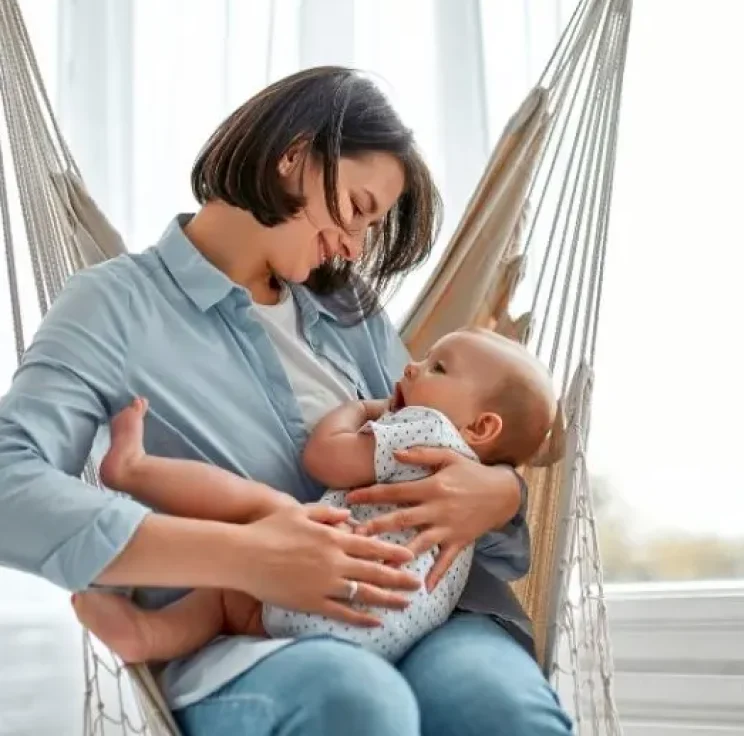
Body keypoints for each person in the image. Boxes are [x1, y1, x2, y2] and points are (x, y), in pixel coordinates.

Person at [0, 66, 572, 735]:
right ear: (295, 155)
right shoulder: (115, 305)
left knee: (500, 710)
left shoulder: (345, 309)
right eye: (357, 209)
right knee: (356, 702)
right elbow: (11, 487)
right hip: (248, 635)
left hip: (429, 611)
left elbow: (445, 436)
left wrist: (500, 492)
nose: (357, 248)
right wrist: (246, 558)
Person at [72, 328, 557, 666]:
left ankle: (134, 472)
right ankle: (144, 636)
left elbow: (325, 459)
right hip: (376, 640)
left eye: (438, 367)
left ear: (480, 427)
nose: (412, 366)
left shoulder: (427, 431)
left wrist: (356, 409)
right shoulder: (466, 478)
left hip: (328, 591)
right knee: (235, 597)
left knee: (260, 514)